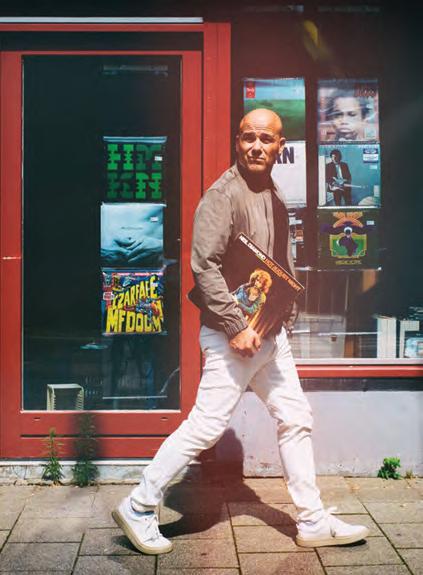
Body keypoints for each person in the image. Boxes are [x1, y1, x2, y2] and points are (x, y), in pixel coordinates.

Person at [112, 108, 370, 554]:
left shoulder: (273, 192)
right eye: (248, 137)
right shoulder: (222, 195)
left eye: (266, 139)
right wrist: (235, 325)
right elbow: (203, 267)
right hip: (233, 336)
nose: (256, 146)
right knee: (207, 426)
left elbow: (278, 263)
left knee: (295, 419)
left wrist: (283, 319)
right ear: (237, 141)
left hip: (269, 333)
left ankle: (311, 522)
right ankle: (139, 505)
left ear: (279, 147)